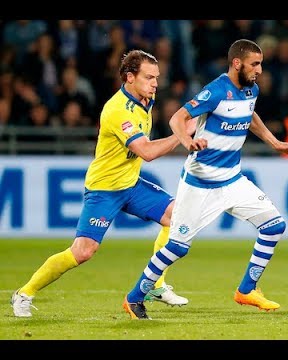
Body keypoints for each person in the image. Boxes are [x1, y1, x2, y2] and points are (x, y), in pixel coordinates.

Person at [122, 39, 288, 320]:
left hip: (232, 180)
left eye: (261, 64)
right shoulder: (216, 90)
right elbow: (176, 118)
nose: (260, 70)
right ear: (237, 63)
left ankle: (246, 290)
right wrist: (186, 140)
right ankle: (134, 298)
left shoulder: (250, 90)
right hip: (200, 183)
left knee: (274, 226)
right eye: (255, 64)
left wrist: (274, 142)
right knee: (177, 248)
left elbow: (250, 114)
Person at [11, 49, 194, 318]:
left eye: (157, 77)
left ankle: (155, 284)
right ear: (130, 77)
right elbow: (148, 152)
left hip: (130, 184)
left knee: (176, 215)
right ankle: (24, 293)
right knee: (83, 251)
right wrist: (182, 134)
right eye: (149, 77)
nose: (155, 83)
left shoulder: (147, 98)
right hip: (104, 189)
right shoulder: (118, 110)